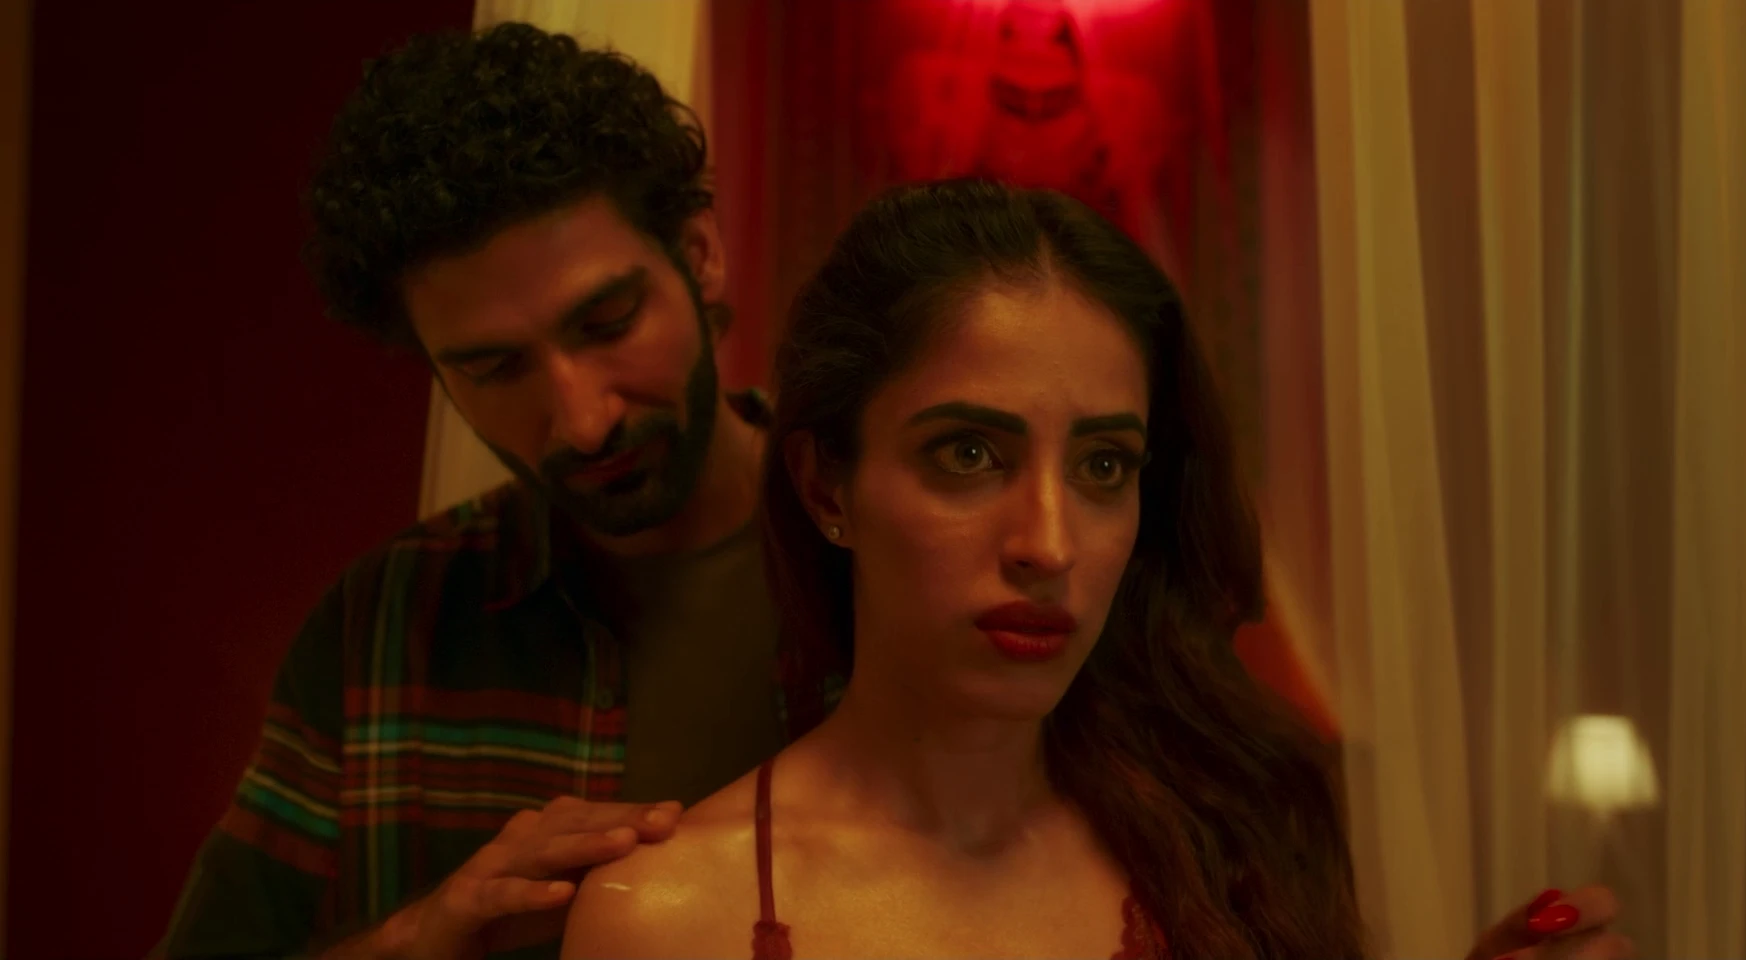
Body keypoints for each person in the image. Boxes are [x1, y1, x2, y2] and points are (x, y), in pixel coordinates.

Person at [158, 22, 1624, 960]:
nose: (578, 411)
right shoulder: (391, 637)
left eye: (608, 322)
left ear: (701, 257)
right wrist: (419, 940)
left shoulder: (991, 617)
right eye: (491, 368)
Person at [557, 180, 1635, 960]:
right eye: (968, 454)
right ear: (828, 486)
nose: (1049, 542)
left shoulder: (1236, 850)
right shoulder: (665, 919)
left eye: (1103, 465)